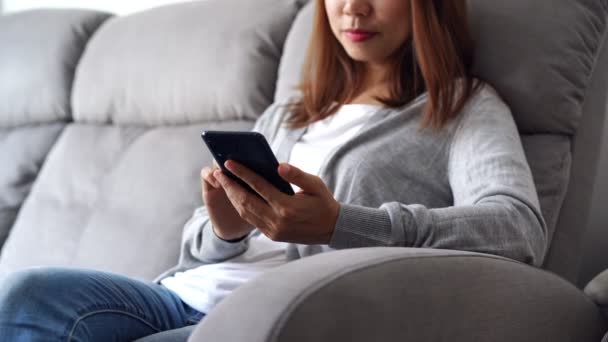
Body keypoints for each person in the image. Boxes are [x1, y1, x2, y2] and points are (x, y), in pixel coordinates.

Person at [0, 0, 548, 341]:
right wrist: (226, 228)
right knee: (23, 295)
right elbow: (194, 249)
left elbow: (517, 229)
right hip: (182, 295)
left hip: (283, 310)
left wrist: (340, 223)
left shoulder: (462, 107)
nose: (353, 9)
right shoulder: (288, 113)